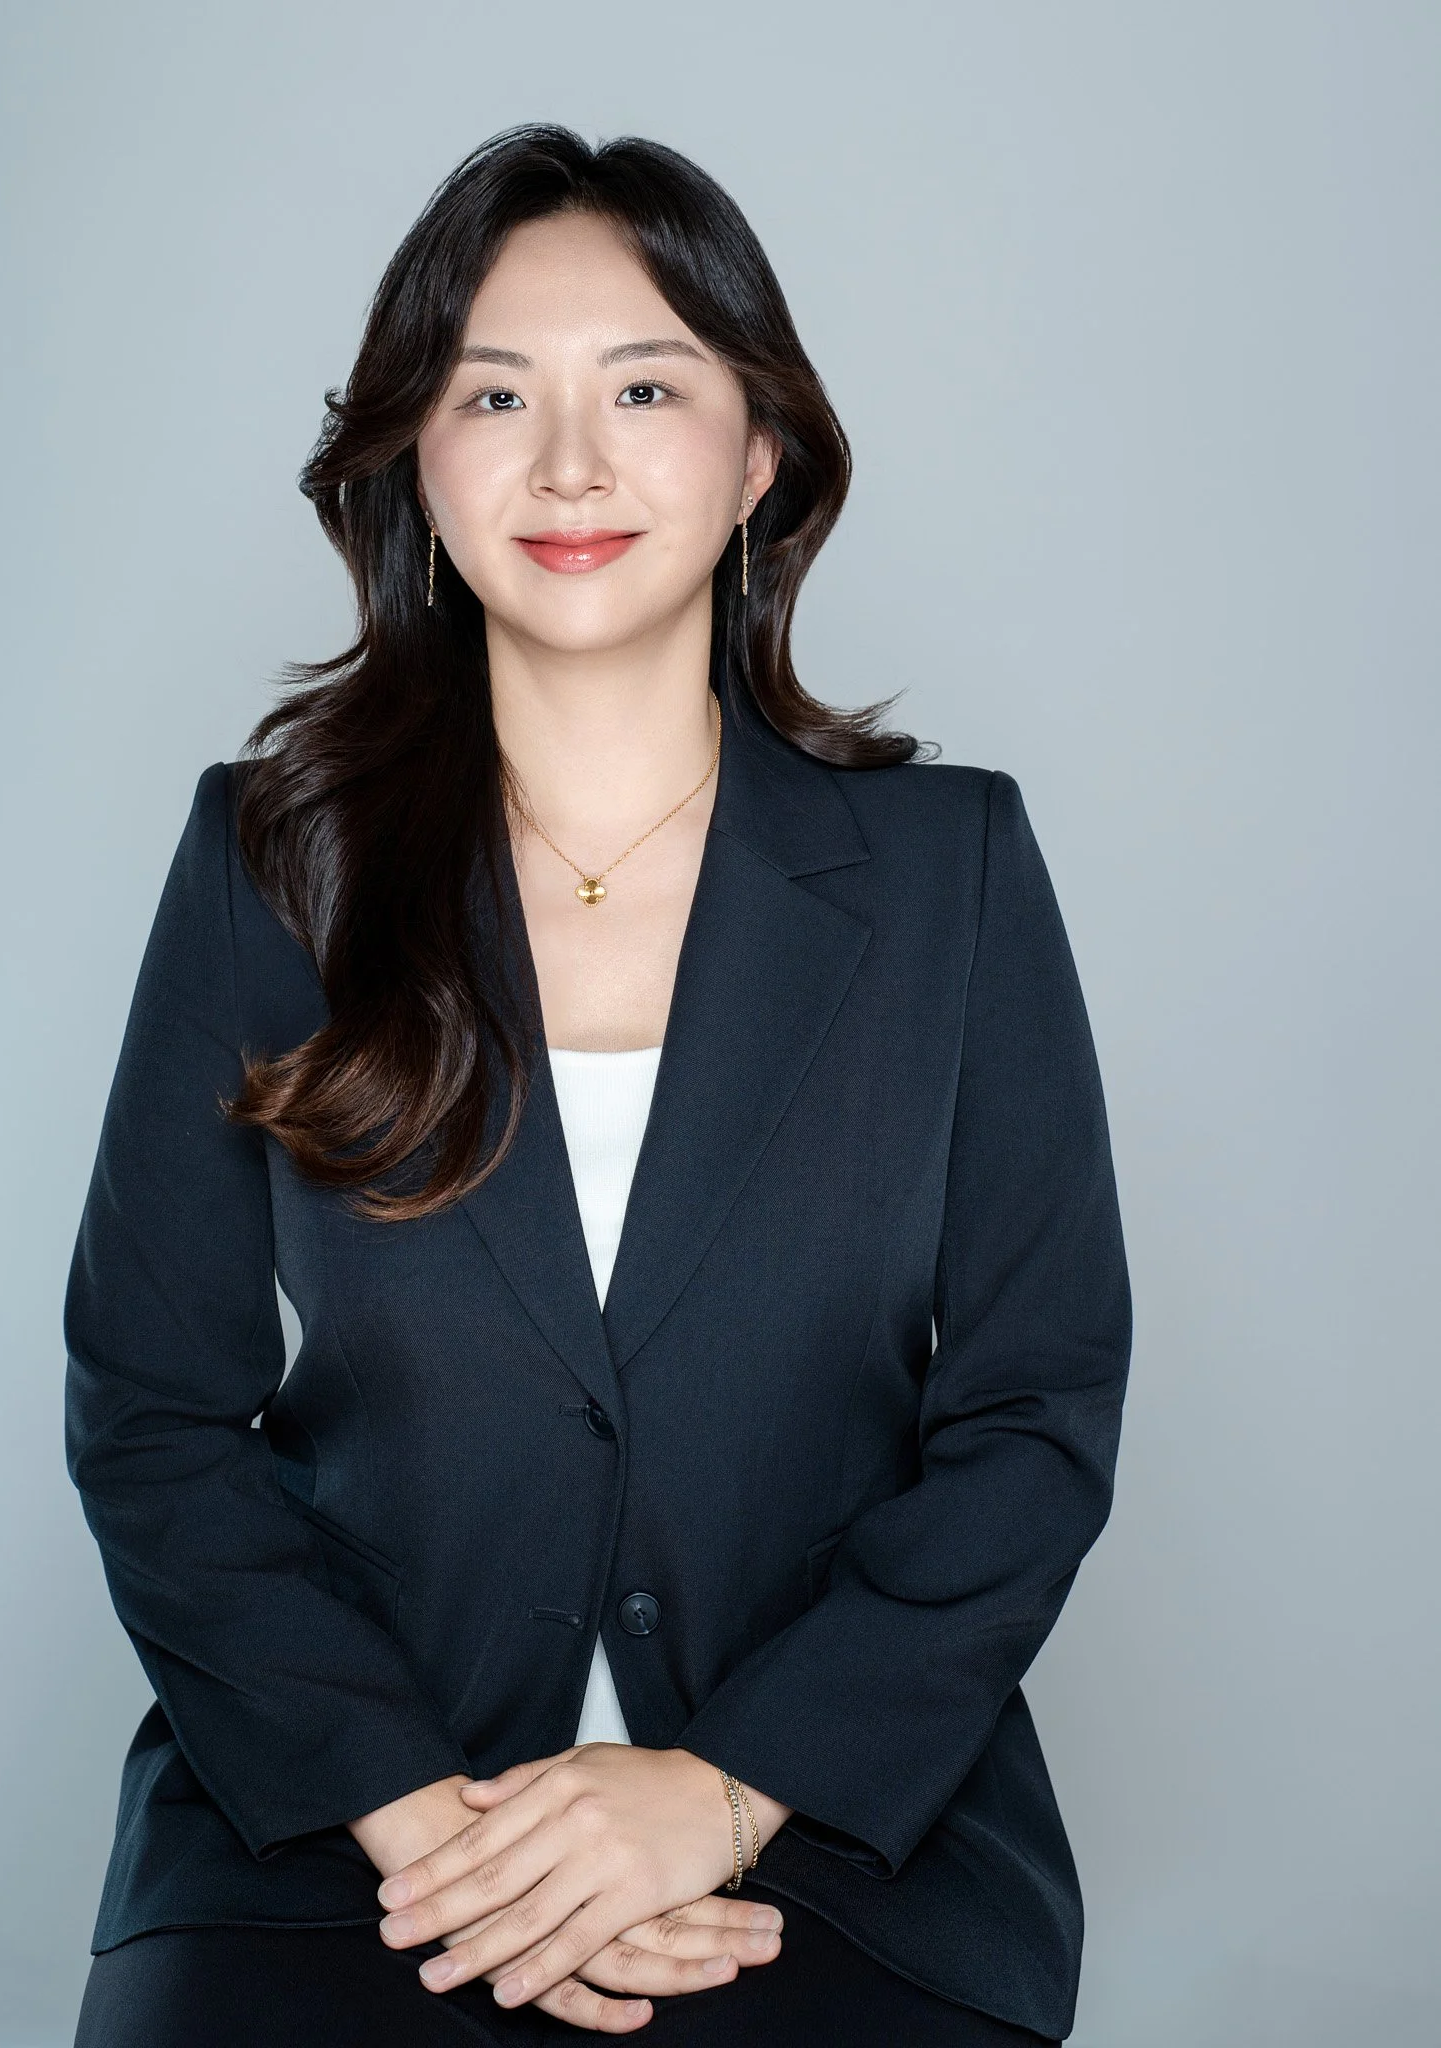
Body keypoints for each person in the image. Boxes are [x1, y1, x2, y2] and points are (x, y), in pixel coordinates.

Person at [66, 124, 1131, 2046]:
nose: (568, 464)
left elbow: (1033, 1410)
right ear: (415, 459)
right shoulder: (270, 864)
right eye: (495, 395)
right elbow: (150, 1412)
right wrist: (425, 1827)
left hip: (832, 1817)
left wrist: (718, 1793)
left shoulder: (949, 872)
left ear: (758, 453)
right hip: (345, 1816)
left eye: (644, 388)